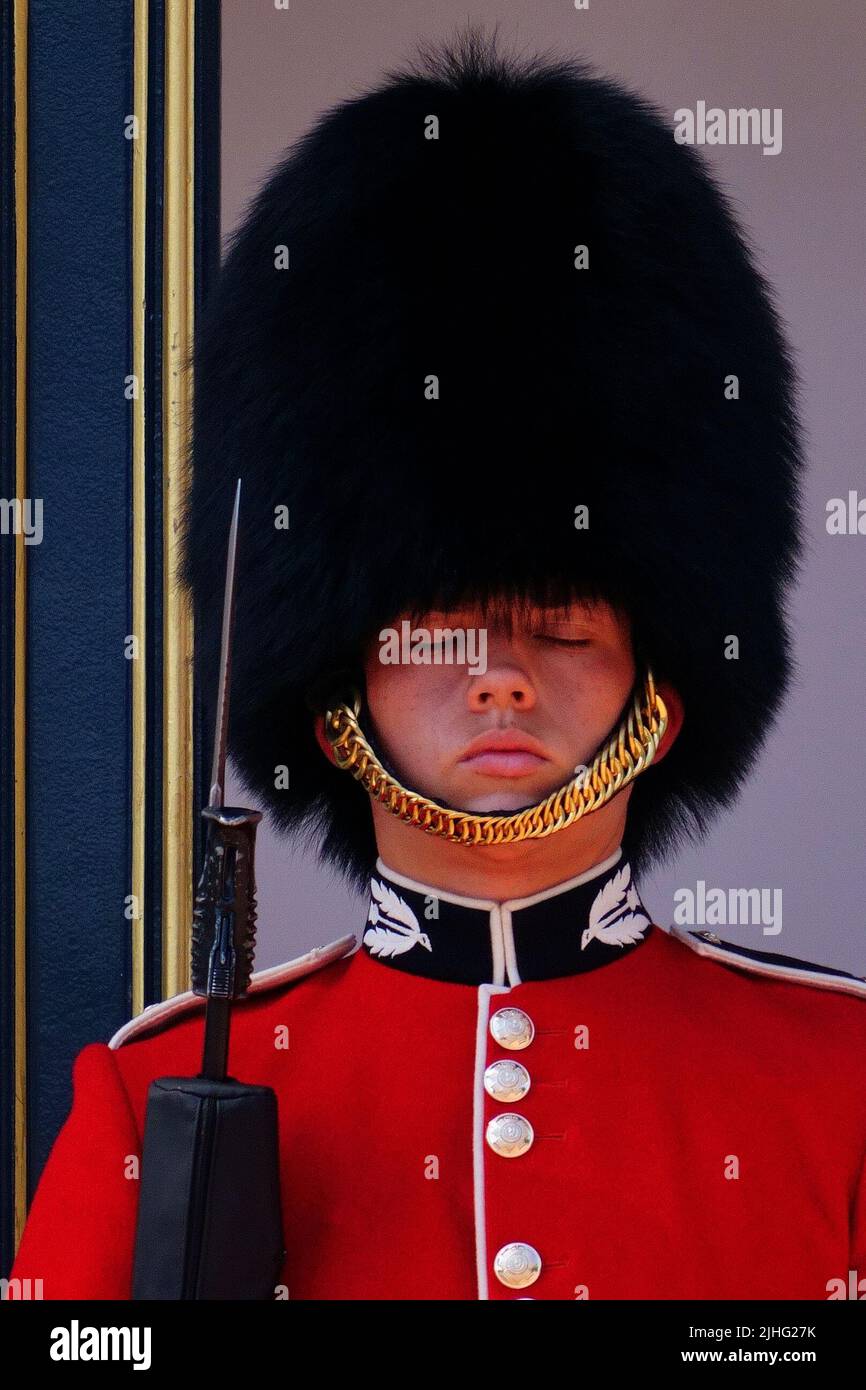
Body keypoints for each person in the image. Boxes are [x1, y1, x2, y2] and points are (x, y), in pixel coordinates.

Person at [9, 28, 866, 1301]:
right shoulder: (156, 1097)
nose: (502, 677)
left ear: (664, 691)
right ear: (334, 685)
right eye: (432, 628)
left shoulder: (837, 1081)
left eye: (564, 624)